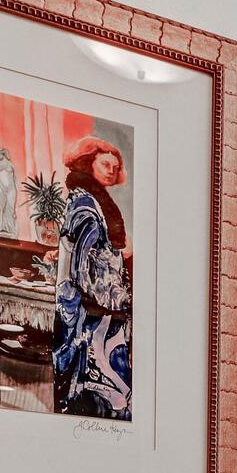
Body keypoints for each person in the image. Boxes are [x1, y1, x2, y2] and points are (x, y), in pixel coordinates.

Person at [52, 136, 133, 419]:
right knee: (95, 372)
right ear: (89, 163)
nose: (112, 170)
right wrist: (119, 297)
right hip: (91, 305)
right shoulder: (86, 204)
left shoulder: (95, 200)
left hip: (97, 301)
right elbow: (83, 267)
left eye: (116, 167)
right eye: (105, 164)